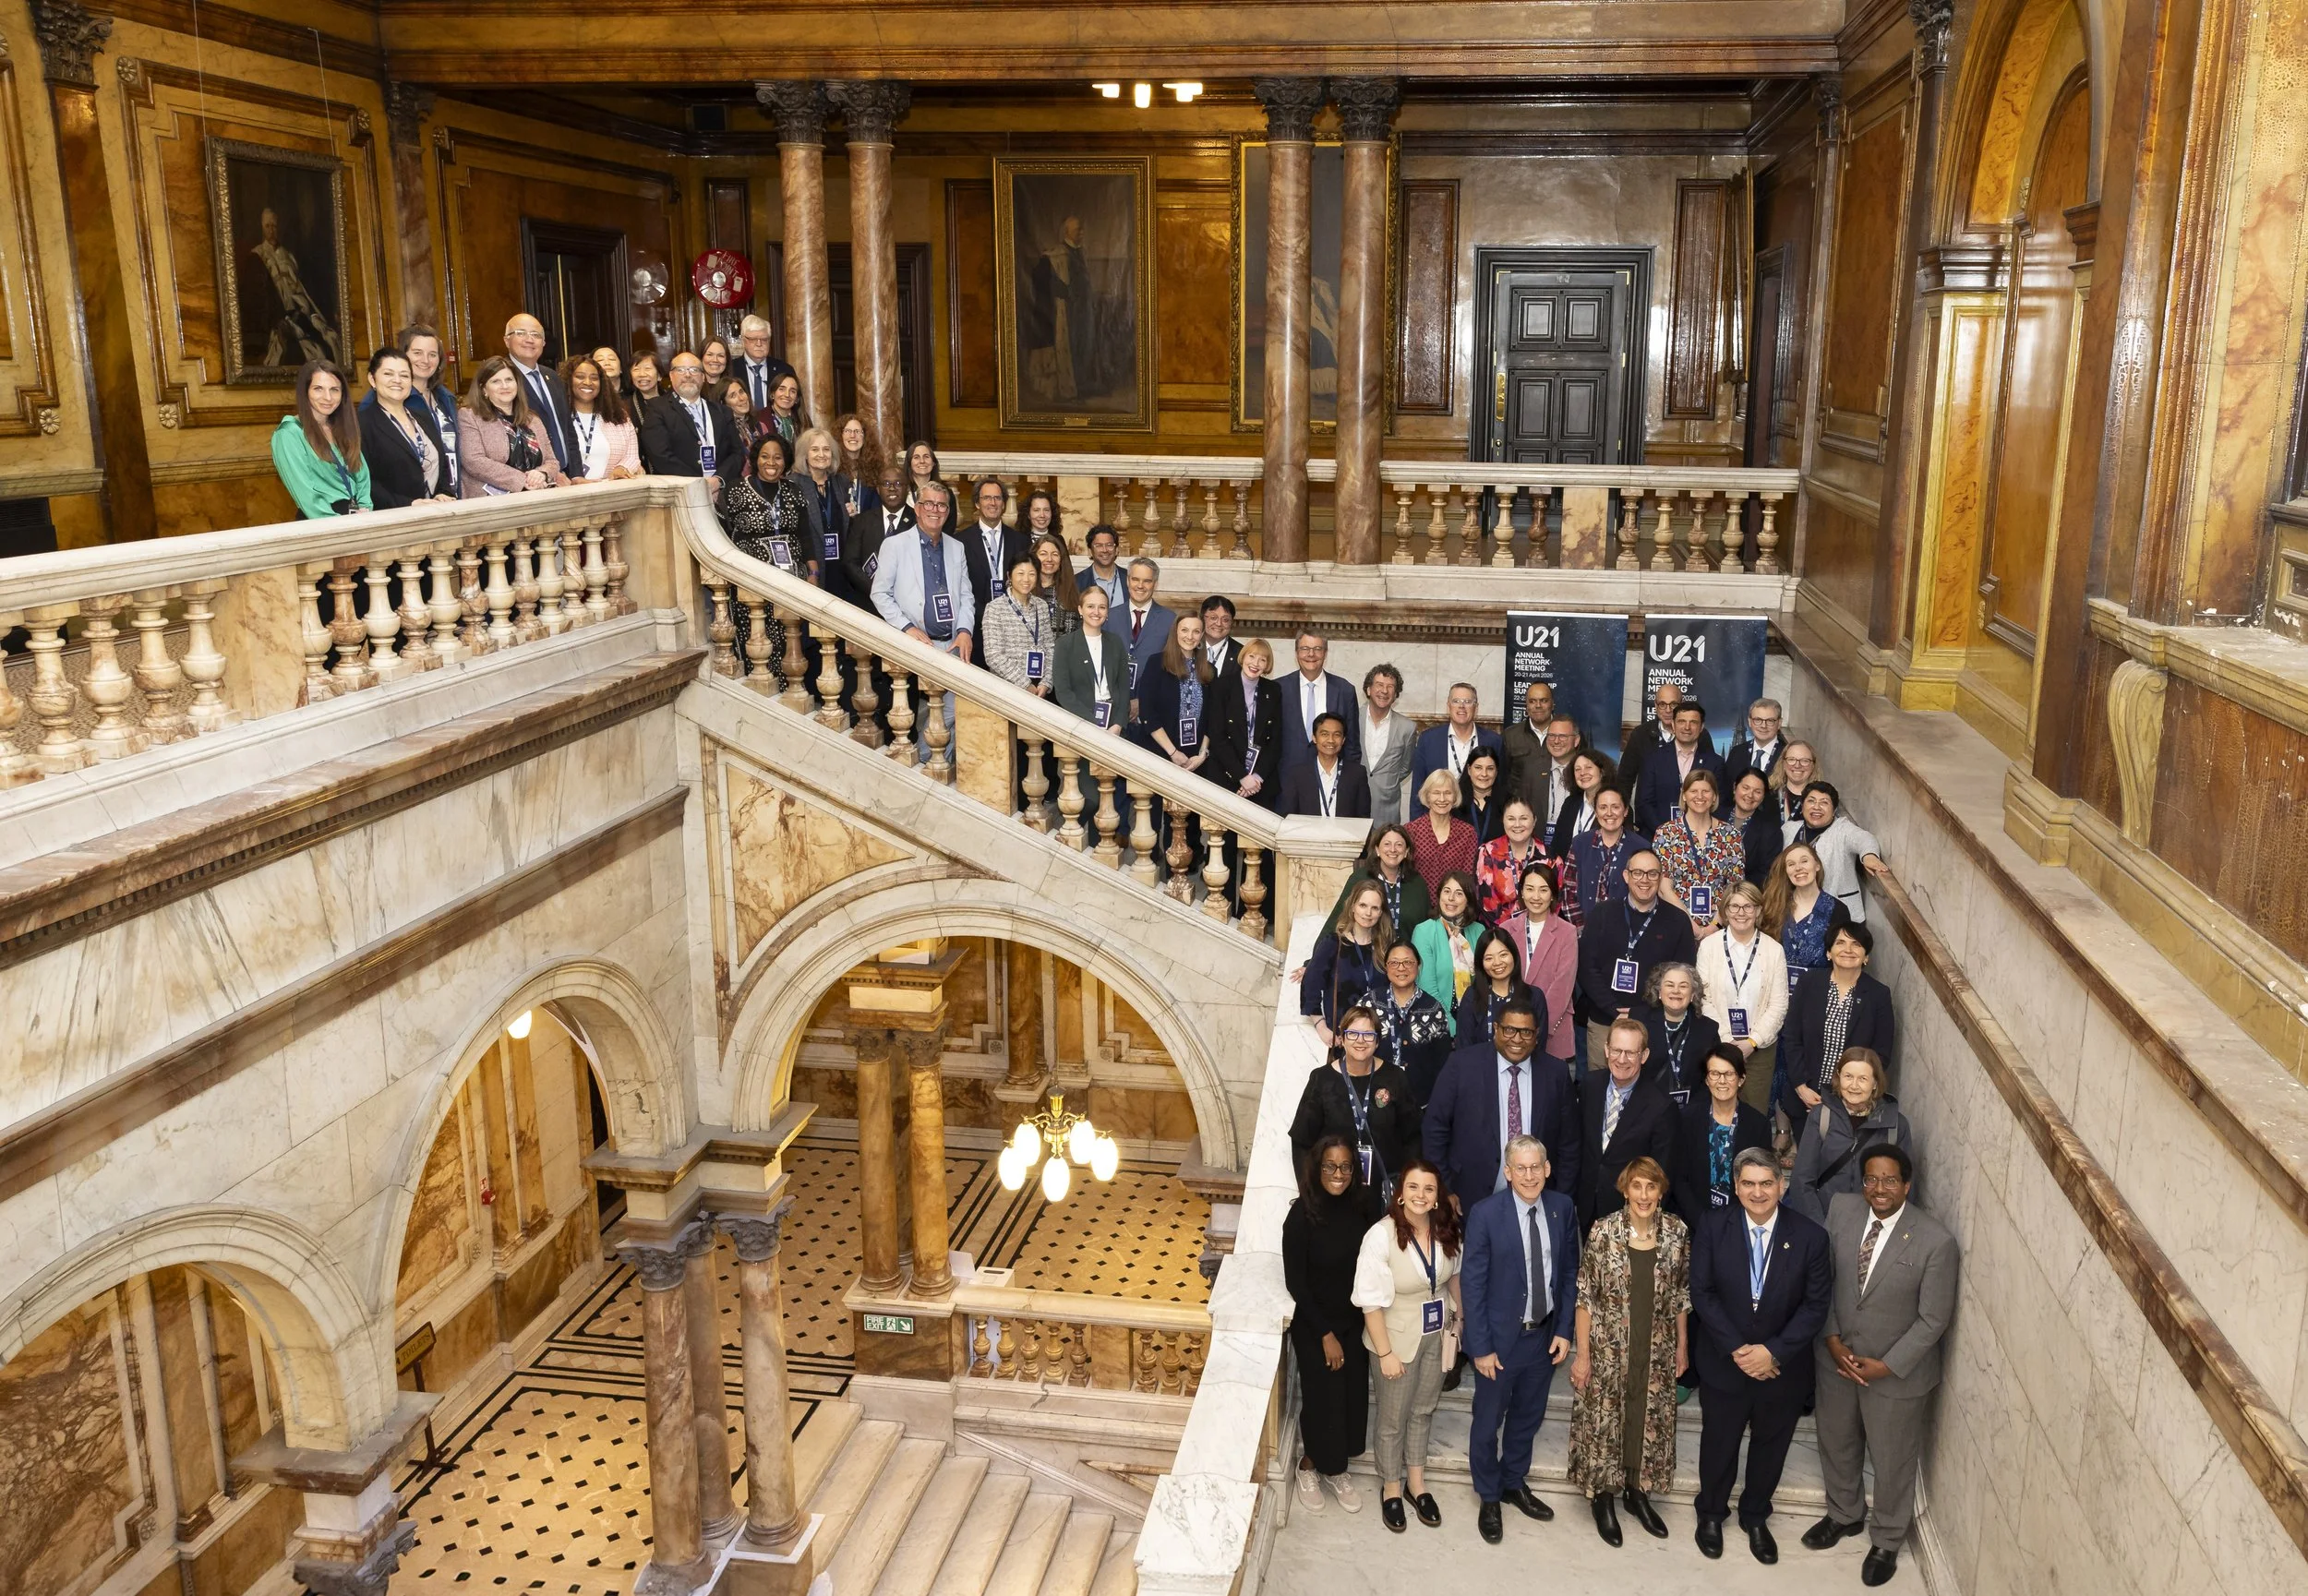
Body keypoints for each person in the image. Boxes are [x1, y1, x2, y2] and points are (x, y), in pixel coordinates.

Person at [1807, 1146, 1959, 1587]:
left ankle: (1888, 1538)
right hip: (1836, 1357)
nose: (1879, 1189)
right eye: (1871, 1179)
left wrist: (1886, 1366)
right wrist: (1831, 1339)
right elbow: (1825, 1279)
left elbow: (1934, 1319)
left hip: (1893, 1375)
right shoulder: (1841, 1210)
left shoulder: (1935, 1241)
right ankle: (1844, 1513)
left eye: (1890, 1180)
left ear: (1907, 1186)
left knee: (1892, 1459)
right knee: (1836, 1441)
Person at [1689, 1147, 1833, 1563]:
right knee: (1719, 1442)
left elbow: (1815, 1306)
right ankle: (1711, 1514)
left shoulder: (1810, 1236)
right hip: (1725, 1362)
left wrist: (1773, 1351)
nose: (1757, 1192)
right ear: (1736, 1188)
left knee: (1771, 1446)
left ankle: (1755, 1516)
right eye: (1748, 1183)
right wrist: (1738, 1349)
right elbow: (1703, 1292)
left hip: (1780, 1369)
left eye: (1766, 1183)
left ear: (1781, 1186)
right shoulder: (1712, 1226)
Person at [1460, 1135, 1580, 1543]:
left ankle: (1513, 1483)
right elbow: (1472, 1286)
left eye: (1536, 1167)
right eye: (1520, 1168)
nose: (1529, 1175)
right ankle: (1489, 1496)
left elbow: (1567, 1276)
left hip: (1542, 1339)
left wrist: (1564, 1330)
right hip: (1498, 1342)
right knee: (1487, 1422)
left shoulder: (1563, 1209)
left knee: (1528, 1418)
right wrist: (1480, 1347)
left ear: (1547, 1169)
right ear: (1508, 1172)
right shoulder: (1485, 1214)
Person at [1568, 1155, 1690, 1545]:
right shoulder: (1603, 1231)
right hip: (1608, 1348)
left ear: (1660, 1191)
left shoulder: (1676, 1232)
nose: (1643, 1194)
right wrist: (1582, 1355)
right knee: (1605, 1421)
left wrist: (1682, 1346)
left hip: (1655, 1347)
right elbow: (1585, 1296)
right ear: (1624, 1189)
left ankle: (1638, 1493)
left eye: (1651, 1186)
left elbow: (1681, 1297)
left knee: (1646, 1419)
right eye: (1636, 1185)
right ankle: (1603, 1497)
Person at [1354, 1158, 1462, 1531]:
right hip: (1395, 1340)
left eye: (1429, 1189)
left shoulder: (1446, 1230)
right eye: (1413, 1187)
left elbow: (1453, 1280)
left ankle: (1417, 1483)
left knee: (1423, 1410)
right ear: (1400, 1193)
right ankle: (1391, 1488)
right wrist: (1385, 1353)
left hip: (1436, 1336)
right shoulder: (1380, 1236)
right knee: (1392, 1418)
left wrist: (1458, 1322)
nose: (1420, 1195)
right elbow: (1370, 1301)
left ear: (1437, 1197)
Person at [1283, 1134, 1382, 1515]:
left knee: (1353, 1398)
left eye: (1345, 1166)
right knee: (1324, 1396)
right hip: (1315, 1324)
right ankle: (1310, 1465)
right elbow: (1296, 1282)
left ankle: (1336, 1468)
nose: (1337, 1174)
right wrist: (1325, 1334)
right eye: (1330, 1166)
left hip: (1353, 1320)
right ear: (1317, 1168)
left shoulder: (1363, 1207)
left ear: (1354, 1170)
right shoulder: (1301, 1215)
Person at [1422, 1001, 1577, 1217]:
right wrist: (1444, 1188)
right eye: (1509, 1030)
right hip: (1469, 1199)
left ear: (1537, 1035)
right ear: (1496, 1029)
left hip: (1538, 1201)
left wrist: (1561, 1198)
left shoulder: (1556, 1073)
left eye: (1526, 1032)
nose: (1517, 1039)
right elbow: (1434, 1129)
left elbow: (1569, 1143)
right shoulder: (1462, 1065)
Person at [870, 479, 976, 740]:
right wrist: (907, 628)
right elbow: (879, 593)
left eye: (941, 506)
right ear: (917, 508)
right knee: (923, 717)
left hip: (952, 646)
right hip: (917, 645)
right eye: (928, 503)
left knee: (952, 716)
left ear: (948, 512)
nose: (935, 510)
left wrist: (964, 631)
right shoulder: (895, 545)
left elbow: (966, 595)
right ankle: (928, 768)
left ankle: (938, 767)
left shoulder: (957, 547)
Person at [1574, 850, 1697, 1068]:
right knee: (1602, 1088)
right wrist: (1613, 1009)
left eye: (1652, 874)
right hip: (1605, 1022)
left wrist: (1640, 1013)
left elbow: (1683, 975)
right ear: (1625, 875)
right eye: (1638, 872)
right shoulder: (1602, 913)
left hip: (1655, 1023)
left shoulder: (1677, 921)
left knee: (1650, 1094)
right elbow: (1586, 968)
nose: (1644, 880)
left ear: (1661, 878)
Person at [1291, 1004, 1423, 1197]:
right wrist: (1309, 1192)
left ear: (1377, 1042)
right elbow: (1302, 1141)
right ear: (1342, 1038)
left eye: (1368, 1035)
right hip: (1334, 1193)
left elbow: (1413, 1138)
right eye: (1352, 1034)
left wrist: (1407, 1185)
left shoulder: (1395, 1078)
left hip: (1384, 1193)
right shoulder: (1321, 1079)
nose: (1360, 1041)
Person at [1781, 924, 1895, 1124]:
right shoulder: (1809, 982)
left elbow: (1881, 1054)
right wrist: (1801, 1087)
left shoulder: (1878, 995)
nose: (1848, 950)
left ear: (1866, 956)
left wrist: (1848, 1097)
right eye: (1840, 943)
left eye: (1856, 944)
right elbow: (1791, 1037)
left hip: (1851, 1101)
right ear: (1828, 952)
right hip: (1806, 1094)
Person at [1577, 1018, 1679, 1229]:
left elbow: (1662, 1173)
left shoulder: (1661, 1106)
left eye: (1631, 1053)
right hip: (1587, 1205)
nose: (1622, 1059)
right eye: (1616, 1050)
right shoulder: (1590, 1085)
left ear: (1644, 1056)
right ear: (1606, 1050)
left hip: (1631, 1214)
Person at [1789, 1050, 1912, 1223]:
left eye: (1863, 1079)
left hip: (1872, 1227)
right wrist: (1820, 1229)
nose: (1854, 1086)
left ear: (1875, 1083)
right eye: (1848, 1077)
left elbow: (1904, 1187)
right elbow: (1802, 1179)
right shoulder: (1821, 1117)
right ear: (1838, 1079)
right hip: (1826, 1220)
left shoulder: (1896, 1126)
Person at [1696, 882, 1788, 1085]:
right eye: (1734, 906)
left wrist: (1752, 1042)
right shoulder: (1708, 946)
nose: (1741, 913)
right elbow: (1703, 998)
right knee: (1717, 1109)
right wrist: (1727, 1040)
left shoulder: (1774, 950)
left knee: (1754, 1114)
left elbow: (1779, 1005)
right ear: (1725, 912)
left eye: (1748, 906)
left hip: (1759, 1050)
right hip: (1717, 1045)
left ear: (1758, 910)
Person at [1492, 870, 1579, 1076]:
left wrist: (1533, 1029)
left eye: (1543, 890)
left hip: (1551, 1032)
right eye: (1530, 889)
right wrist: (1515, 1028)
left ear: (1553, 894)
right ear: (1521, 892)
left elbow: (1563, 986)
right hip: (1511, 1033)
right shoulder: (1506, 929)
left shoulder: (1567, 932)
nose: (1536, 897)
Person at [1674, 1046, 1773, 1225]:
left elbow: (1759, 1180)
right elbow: (1679, 1178)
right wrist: (1700, 1220)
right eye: (1715, 1074)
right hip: (1694, 1220)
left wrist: (1732, 1222)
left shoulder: (1758, 1125)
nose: (1722, 1081)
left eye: (1729, 1074)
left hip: (1739, 1221)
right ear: (1706, 1079)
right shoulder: (1687, 1119)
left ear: (1741, 1079)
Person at [356, 347, 452, 510]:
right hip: (394, 518)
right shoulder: (361, 423)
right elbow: (365, 481)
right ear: (372, 379)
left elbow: (442, 463)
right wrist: (408, 504)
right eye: (388, 374)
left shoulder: (423, 417)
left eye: (404, 375)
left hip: (435, 513)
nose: (397, 380)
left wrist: (444, 492)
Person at [272, 358, 370, 517]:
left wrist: (366, 511)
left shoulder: (343, 428)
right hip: (322, 522)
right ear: (305, 392)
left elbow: (362, 477)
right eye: (318, 389)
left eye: (334, 389)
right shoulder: (289, 433)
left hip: (356, 517)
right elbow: (306, 495)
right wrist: (339, 524)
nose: (328, 397)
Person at [638, 351, 742, 499]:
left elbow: (737, 453)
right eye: (681, 370)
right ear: (672, 376)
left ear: (703, 377)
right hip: (680, 495)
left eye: (694, 370)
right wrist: (700, 485)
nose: (688, 375)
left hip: (721, 494)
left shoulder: (722, 411)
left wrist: (718, 481)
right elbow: (661, 456)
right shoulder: (657, 409)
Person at [458, 354, 566, 496]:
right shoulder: (469, 416)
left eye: (509, 379)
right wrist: (523, 481)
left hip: (536, 498)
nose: (504, 386)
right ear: (484, 389)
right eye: (496, 381)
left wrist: (542, 474)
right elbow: (474, 461)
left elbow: (552, 461)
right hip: (490, 505)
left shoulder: (533, 419)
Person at [1653, 771, 1744, 936]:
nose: (1700, 796)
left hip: (1721, 927)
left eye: (1706, 791)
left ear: (1714, 797)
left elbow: (1735, 887)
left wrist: (1715, 925)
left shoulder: (1731, 834)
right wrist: (1691, 926)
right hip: (1676, 925)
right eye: (1694, 791)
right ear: (1684, 796)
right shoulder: (1666, 833)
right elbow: (1664, 889)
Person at [1303, 880, 1391, 1044]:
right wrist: (1321, 1026)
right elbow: (1310, 986)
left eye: (1375, 908)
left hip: (1377, 1040)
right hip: (1342, 1039)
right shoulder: (1334, 944)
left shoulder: (1386, 947)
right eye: (1363, 905)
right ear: (1353, 907)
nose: (1368, 913)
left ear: (1381, 913)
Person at [1790, 783, 1889, 923]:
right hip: (1798, 911)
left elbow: (1864, 838)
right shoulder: (1789, 829)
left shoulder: (1842, 829)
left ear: (1834, 809)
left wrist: (1869, 855)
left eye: (1824, 802)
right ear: (1802, 805)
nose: (1816, 807)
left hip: (1840, 918)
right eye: (1811, 801)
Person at [722, 434, 814, 581]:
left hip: (794, 579)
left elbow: (806, 536)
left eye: (778, 458)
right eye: (765, 456)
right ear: (756, 460)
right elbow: (723, 535)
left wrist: (814, 574)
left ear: (785, 462)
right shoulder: (735, 489)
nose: (771, 462)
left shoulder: (794, 490)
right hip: (751, 580)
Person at [1206, 635, 1282, 810]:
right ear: (1243, 657)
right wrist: (1242, 777)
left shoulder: (1274, 690)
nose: (1256, 663)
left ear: (1267, 665)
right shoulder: (1221, 687)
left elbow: (1276, 742)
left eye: (1262, 660)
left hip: (1260, 784)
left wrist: (1256, 778)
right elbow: (1218, 737)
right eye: (1251, 656)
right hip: (1227, 778)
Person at [1374, 943, 1455, 1107]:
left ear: (1418, 965)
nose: (1401, 968)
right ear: (1386, 967)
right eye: (1394, 963)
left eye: (1408, 962)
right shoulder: (1370, 1003)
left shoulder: (1433, 1008)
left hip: (1420, 1104)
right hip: (1375, 1103)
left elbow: (1443, 1060)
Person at [1135, 611, 1214, 776]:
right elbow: (1148, 713)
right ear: (1175, 632)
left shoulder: (1210, 670)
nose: (1190, 636)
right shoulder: (1156, 663)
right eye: (1184, 630)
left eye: (1196, 631)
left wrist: (1202, 754)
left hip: (1195, 761)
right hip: (1160, 755)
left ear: (1202, 636)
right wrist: (1173, 753)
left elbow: (1212, 718)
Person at [1631, 960, 1719, 1106]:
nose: (1676, 991)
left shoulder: (1708, 1029)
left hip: (1691, 1108)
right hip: (1644, 1105)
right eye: (1670, 985)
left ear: (1693, 994)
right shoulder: (1639, 1019)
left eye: (1683, 986)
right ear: (1659, 991)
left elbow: (1711, 1075)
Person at [1634, 700, 1727, 835]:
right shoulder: (1652, 759)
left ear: (1701, 727)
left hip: (1702, 839)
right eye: (1681, 721)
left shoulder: (1715, 763)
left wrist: (1700, 834)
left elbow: (1720, 804)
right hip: (1660, 837)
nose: (1687, 727)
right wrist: (1667, 834)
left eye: (1693, 722)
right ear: (1673, 725)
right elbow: (1644, 803)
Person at [962, 478, 1032, 657]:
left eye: (997, 498)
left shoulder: (1021, 541)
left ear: (1003, 503)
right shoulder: (961, 541)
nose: (992, 503)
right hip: (976, 630)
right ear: (977, 503)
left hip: (1014, 631)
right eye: (987, 498)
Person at [502, 313, 581, 471]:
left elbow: (567, 429)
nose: (529, 339)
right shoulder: (501, 379)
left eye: (535, 335)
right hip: (530, 478)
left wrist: (576, 473)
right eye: (521, 333)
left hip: (565, 475)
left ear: (543, 343)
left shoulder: (553, 376)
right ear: (506, 340)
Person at [1327, 825, 1433, 940]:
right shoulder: (1360, 878)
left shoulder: (1417, 883)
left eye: (1399, 845)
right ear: (1377, 849)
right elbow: (1338, 921)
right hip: (1367, 954)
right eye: (1387, 844)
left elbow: (1427, 929)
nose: (1393, 849)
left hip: (1407, 954)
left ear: (1406, 851)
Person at [1561, 786, 1647, 929]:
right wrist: (1583, 930)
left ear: (1625, 811)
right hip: (1584, 933)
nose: (1609, 813)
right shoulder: (1579, 843)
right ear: (1596, 811)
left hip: (1627, 934)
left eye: (1615, 807)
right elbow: (1567, 892)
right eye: (1603, 807)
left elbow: (1646, 894)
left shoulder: (1641, 847)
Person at [1278, 632, 1362, 771]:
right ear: (1296, 652)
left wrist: (1348, 782)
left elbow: (1352, 745)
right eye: (1304, 648)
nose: (1311, 654)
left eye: (1317, 649)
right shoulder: (1278, 689)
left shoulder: (1345, 691)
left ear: (1325, 653)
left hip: (1332, 779)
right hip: (1286, 780)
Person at [398, 324, 463, 498]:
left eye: (432, 354)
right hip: (415, 501)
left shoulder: (445, 398)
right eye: (417, 353)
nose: (425, 360)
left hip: (451, 496)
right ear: (403, 356)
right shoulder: (393, 400)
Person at [1411, 871, 1485, 1024]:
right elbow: (1427, 988)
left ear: (1468, 900)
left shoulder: (1479, 931)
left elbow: (1484, 983)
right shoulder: (1424, 931)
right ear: (1439, 896)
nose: (1451, 898)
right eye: (1447, 891)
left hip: (1475, 1021)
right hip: (1437, 1021)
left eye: (1459, 893)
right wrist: (1452, 1027)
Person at [559, 354, 643, 482]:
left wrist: (622, 469)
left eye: (594, 378)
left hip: (609, 492)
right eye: (580, 377)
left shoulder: (618, 416)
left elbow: (632, 456)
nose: (588, 382)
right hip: (570, 494)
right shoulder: (558, 416)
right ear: (568, 380)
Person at [981, 552, 1055, 696]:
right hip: (1008, 687)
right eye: (1020, 573)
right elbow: (993, 655)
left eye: (1032, 574)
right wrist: (1025, 684)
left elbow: (1050, 647)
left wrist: (1046, 682)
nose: (1026, 579)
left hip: (1039, 686)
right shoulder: (995, 608)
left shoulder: (1041, 605)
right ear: (1009, 576)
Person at [1412, 682, 1504, 797]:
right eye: (1456, 701)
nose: (1462, 706)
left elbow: (1500, 786)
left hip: (1479, 813)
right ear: (1448, 706)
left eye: (1468, 702)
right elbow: (1418, 787)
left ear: (1476, 707)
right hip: (1439, 812)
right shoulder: (1428, 740)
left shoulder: (1494, 741)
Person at [1277, 713, 1372, 821]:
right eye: (1324, 734)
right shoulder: (1297, 774)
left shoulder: (1357, 773)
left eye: (1337, 735)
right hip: (1307, 836)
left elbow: (1363, 818)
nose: (1331, 740)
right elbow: (1288, 817)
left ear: (1343, 740)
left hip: (1345, 836)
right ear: (1314, 738)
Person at [1453, 929, 1533, 1053]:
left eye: (1503, 955)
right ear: (1481, 963)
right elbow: (1464, 1047)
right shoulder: (1472, 997)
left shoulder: (1533, 996)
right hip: (1480, 1070)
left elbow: (1538, 1048)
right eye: (1489, 958)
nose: (1497, 963)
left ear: (1514, 955)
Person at [847, 462, 917, 603]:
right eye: (886, 484)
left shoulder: (918, 522)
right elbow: (850, 563)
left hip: (906, 604)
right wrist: (877, 590)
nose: (892, 489)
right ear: (878, 490)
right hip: (867, 602)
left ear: (907, 489)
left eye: (898, 483)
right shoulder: (862, 521)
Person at [1360, 664, 1416, 825]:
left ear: (1396, 694)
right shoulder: (1352, 718)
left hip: (1387, 810)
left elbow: (1405, 767)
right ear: (1368, 690)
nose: (1384, 691)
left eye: (1390, 687)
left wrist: (1387, 782)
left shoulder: (1407, 728)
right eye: (1379, 685)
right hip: (1352, 804)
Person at [1408, 770, 1478, 896]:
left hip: (1454, 906)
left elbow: (1467, 879)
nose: (1442, 799)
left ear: (1455, 796)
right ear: (1427, 796)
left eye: (1447, 793)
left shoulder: (1467, 833)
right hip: (1418, 904)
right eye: (1436, 793)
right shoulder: (1410, 831)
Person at [1474, 798, 1547, 922]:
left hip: (1539, 933)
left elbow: (1554, 903)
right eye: (1511, 819)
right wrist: (1514, 931)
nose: (1517, 824)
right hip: (1498, 934)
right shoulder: (1487, 853)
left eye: (1524, 818)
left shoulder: (1550, 859)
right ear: (1503, 821)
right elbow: (1486, 903)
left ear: (1534, 821)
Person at [1119, 558, 1175, 708]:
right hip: (1114, 707)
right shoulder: (1109, 617)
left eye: (1147, 581)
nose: (1140, 586)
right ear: (1127, 581)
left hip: (1152, 708)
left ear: (1155, 584)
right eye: (1135, 579)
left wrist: (1143, 700)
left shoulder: (1170, 620)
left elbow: (1171, 668)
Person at [1500, 683, 1563, 815]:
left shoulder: (1567, 733)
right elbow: (1503, 779)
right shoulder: (1511, 736)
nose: (1538, 705)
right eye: (1532, 701)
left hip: (1560, 814)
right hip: (1521, 816)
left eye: (1544, 701)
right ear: (1526, 706)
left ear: (1552, 704)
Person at [1518, 715, 1584, 838]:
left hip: (1576, 843)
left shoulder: (1586, 772)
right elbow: (1522, 809)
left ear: (1576, 740)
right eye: (1552, 735)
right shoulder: (1531, 770)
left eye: (1563, 736)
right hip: (1539, 845)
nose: (1556, 741)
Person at [1616, 680, 1683, 799]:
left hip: (1688, 812)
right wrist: (1622, 811)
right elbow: (1625, 779)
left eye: (1673, 704)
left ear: (1681, 705)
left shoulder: (1698, 734)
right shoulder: (1640, 735)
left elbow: (1709, 779)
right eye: (1662, 704)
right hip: (1648, 811)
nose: (1668, 710)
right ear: (1656, 706)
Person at [1546, 748, 1616, 862]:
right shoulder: (1570, 803)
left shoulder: (1616, 805)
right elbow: (1556, 844)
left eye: (1588, 767)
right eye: (1577, 769)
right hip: (1568, 873)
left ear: (1602, 771)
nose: (1582, 773)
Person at [732, 313, 797, 413]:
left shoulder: (784, 369)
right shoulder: (731, 369)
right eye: (753, 339)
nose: (759, 344)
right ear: (743, 341)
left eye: (764, 340)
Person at [1730, 769, 1785, 887]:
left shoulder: (1771, 832)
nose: (1750, 795)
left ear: (1763, 796)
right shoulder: (1714, 817)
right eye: (1745, 788)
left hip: (1747, 896)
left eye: (1757, 791)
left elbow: (1766, 874)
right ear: (1735, 787)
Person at [1722, 699, 1788, 790]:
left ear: (1779, 723)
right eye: (1758, 720)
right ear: (1749, 722)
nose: (1763, 726)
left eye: (1770, 721)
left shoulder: (1788, 755)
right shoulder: (1736, 752)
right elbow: (1726, 790)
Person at [1030, 533, 1082, 638]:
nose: (1049, 559)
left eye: (1055, 554)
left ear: (1061, 560)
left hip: (1062, 652)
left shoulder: (1070, 591)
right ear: (1034, 558)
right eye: (1043, 554)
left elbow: (1071, 634)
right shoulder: (1025, 590)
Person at [1460, 749, 1508, 849]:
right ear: (1469, 770)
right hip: (1461, 863)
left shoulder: (1509, 804)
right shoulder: (1455, 803)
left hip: (1497, 863)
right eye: (1478, 768)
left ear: (1496, 771)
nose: (1484, 774)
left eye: (1490, 768)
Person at [719, 375, 773, 462]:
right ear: (723, 403)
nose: (741, 398)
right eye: (733, 396)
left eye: (741, 392)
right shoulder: (723, 430)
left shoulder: (760, 427)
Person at [1768, 741, 1819, 832]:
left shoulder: (1820, 801)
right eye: (1791, 759)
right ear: (1783, 764)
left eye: (1804, 761)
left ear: (1813, 766)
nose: (1797, 765)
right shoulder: (1768, 794)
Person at [1076, 522, 1126, 607]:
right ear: (1090, 551)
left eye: (1109, 545)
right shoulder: (1077, 582)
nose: (1105, 550)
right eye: (1098, 545)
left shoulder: (1129, 578)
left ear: (1116, 549)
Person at [1198, 594, 1243, 678]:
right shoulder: (1190, 646)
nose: (1219, 624)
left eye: (1225, 620)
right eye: (1213, 618)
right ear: (1202, 618)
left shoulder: (1241, 654)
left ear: (1232, 622)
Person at [1016, 486, 1064, 559]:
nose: (1042, 515)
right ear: (1028, 514)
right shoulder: (1018, 541)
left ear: (1052, 513)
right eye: (1036, 510)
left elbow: (1066, 568)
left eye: (1046, 510)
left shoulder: (1059, 540)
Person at [835, 414, 874, 490]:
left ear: (865, 436)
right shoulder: (833, 469)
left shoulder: (874, 468)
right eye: (847, 431)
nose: (852, 435)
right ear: (840, 435)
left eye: (857, 431)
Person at [905, 439, 942, 507]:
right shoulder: (902, 493)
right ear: (909, 463)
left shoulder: (946, 493)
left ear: (933, 463)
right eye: (916, 457)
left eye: (926, 457)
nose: (922, 461)